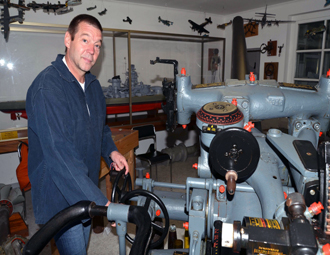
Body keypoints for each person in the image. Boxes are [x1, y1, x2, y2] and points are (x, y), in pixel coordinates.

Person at [26, 14, 129, 255]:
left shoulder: (92, 86)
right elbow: (60, 156)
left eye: (97, 45)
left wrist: (111, 151)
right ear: (67, 40)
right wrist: (105, 205)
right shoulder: (47, 88)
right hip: (61, 197)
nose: (91, 50)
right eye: (85, 40)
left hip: (85, 189)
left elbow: (100, 128)